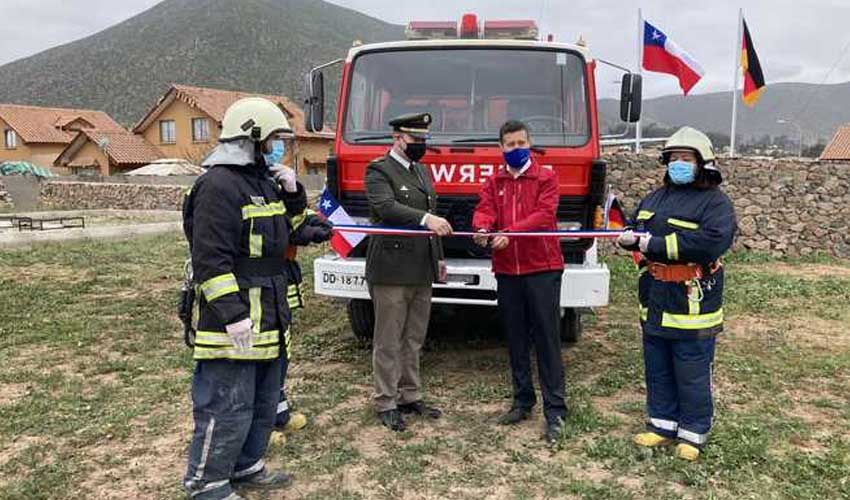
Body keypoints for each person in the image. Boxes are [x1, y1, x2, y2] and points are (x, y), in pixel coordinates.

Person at [182, 97, 308, 499]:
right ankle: (207, 484)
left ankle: (247, 466)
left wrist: (293, 193)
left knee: (262, 401)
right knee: (227, 406)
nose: (279, 147)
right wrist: (233, 315)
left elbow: (287, 231)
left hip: (270, 315)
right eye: (274, 139)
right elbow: (209, 259)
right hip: (236, 322)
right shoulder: (218, 185)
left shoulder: (263, 181)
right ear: (251, 138)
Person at [617, 126, 737, 461]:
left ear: (703, 163)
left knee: (691, 369)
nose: (678, 164)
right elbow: (636, 228)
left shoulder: (715, 204)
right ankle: (661, 426)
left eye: (686, 158)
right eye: (673, 158)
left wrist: (653, 244)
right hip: (655, 297)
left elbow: (711, 242)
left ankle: (693, 432)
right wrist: (628, 236)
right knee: (657, 366)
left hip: (693, 300)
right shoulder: (654, 198)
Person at [472, 120, 567, 444]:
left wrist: (508, 234)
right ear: (501, 148)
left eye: (521, 143)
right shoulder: (494, 180)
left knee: (547, 339)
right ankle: (522, 401)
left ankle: (556, 410)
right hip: (507, 272)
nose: (516, 149)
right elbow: (484, 210)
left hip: (542, 268)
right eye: (510, 144)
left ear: (530, 143)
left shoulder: (546, 177)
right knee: (514, 338)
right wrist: (483, 229)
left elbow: (544, 214)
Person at [365, 112, 452, 432]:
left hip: (420, 267)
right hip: (391, 268)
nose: (420, 146)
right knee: (388, 338)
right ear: (397, 138)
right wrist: (426, 220)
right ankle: (386, 400)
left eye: (423, 141)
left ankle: (409, 394)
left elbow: (432, 215)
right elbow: (386, 207)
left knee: (413, 338)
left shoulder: (421, 171)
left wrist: (438, 258)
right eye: (415, 140)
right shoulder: (378, 170)